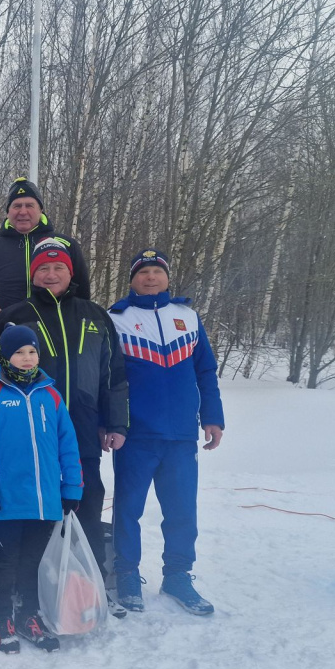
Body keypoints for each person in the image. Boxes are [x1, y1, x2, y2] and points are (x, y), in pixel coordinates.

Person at [0, 246, 129, 614]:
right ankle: (25, 589)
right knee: (29, 518)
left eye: (57, 267)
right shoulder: (16, 315)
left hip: (82, 430)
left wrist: (117, 421)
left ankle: (90, 586)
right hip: (25, 443)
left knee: (86, 507)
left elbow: (115, 373)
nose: (50, 274)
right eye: (42, 268)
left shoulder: (95, 315)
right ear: (33, 274)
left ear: (70, 271)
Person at [107, 249, 225, 615]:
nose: (151, 277)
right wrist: (112, 424)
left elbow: (205, 371)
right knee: (128, 509)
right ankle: (126, 573)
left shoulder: (187, 317)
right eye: (144, 272)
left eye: (158, 271)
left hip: (180, 435)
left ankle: (177, 574)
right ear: (132, 279)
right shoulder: (117, 319)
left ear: (168, 277)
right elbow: (109, 377)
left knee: (181, 510)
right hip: (136, 434)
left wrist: (213, 416)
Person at [0, 325, 83, 654]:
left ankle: (28, 615)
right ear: (5, 355)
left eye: (31, 351)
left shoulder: (51, 394)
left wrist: (71, 485)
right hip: (7, 496)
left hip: (45, 498)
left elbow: (68, 446)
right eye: (19, 352)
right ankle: (1, 615)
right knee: (5, 560)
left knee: (32, 560)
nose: (26, 358)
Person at [0, 178, 91, 311]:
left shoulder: (66, 245)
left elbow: (82, 294)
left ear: (40, 210)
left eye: (29, 205)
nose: (23, 212)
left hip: (56, 328)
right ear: (8, 211)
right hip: (6, 329)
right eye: (17, 206)